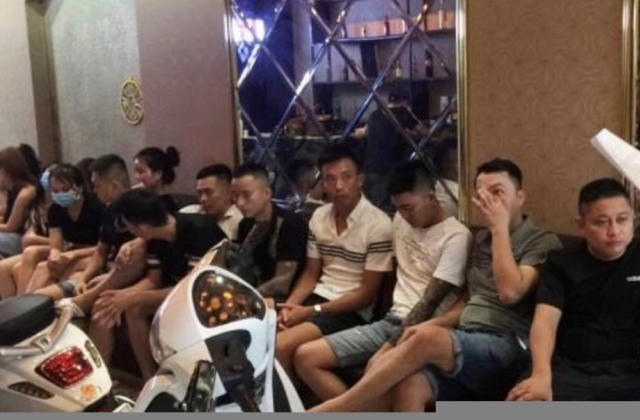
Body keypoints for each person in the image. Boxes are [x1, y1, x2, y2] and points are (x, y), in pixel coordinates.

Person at [310, 158, 562, 411]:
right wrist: (428, 325)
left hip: (508, 344)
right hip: (468, 335)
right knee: (410, 384)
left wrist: (499, 230)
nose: (490, 203)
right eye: (482, 196)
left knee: (426, 339)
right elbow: (467, 301)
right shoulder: (481, 239)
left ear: (520, 196)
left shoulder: (542, 242)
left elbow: (510, 292)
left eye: (497, 193)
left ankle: (335, 409)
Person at [293, 160, 473, 402]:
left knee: (376, 369)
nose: (404, 216)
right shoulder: (399, 220)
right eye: (399, 208)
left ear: (431, 197)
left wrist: (388, 348)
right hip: (390, 321)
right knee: (306, 356)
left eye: (408, 208)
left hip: (424, 330)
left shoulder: (456, 237)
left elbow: (429, 303)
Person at [507, 178, 640, 401]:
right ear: (581, 225)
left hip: (631, 371)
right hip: (572, 370)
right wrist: (541, 375)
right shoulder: (561, 263)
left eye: (622, 220)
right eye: (602, 222)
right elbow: (545, 321)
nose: (615, 231)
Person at [275, 144, 393, 372]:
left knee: (280, 346)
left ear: (360, 180)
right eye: (330, 179)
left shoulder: (378, 224)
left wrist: (312, 311)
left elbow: (367, 295)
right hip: (318, 299)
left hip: (350, 311)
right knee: (263, 335)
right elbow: (310, 275)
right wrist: (291, 306)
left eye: (346, 177)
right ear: (323, 184)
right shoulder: (319, 216)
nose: (338, 186)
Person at [91, 189, 226, 379]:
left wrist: (131, 297)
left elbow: (192, 289)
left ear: (142, 227)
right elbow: (153, 280)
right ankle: (148, 378)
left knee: (134, 305)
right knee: (116, 307)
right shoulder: (154, 237)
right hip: (182, 291)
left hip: (211, 295)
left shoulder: (199, 230)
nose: (130, 232)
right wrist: (120, 296)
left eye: (128, 226)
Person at [38, 155, 141, 316]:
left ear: (113, 186)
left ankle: (81, 301)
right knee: (40, 292)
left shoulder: (138, 209)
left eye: (96, 186)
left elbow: (136, 260)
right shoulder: (109, 211)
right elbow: (100, 251)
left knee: (48, 300)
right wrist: (84, 278)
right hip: (105, 270)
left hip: (120, 274)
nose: (93, 191)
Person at [21, 164, 103, 294]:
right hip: (71, 251)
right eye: (55, 191)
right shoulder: (55, 209)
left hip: (96, 254)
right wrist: (55, 254)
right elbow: (56, 245)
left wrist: (75, 254)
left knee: (68, 273)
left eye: (65, 189)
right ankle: (23, 302)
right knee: (43, 267)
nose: (60, 194)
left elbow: (105, 247)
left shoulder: (96, 206)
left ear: (79, 187)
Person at [232, 163, 308, 300]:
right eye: (235, 196)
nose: (240, 203)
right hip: (253, 290)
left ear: (267, 193)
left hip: (286, 298)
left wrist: (246, 296)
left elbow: (283, 282)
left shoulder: (290, 223)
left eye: (246, 195)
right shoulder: (245, 224)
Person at [363, 88, 426, 211]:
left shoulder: (375, 114)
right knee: (385, 210)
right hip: (388, 171)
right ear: (405, 102)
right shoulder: (403, 112)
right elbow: (425, 133)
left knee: (374, 208)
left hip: (369, 169)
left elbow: (365, 132)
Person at [179, 164, 243, 241]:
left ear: (229, 192)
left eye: (208, 192)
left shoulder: (241, 220)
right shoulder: (187, 213)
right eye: (199, 193)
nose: (203, 199)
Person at [0, 147, 38, 258]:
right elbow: (6, 214)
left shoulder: (25, 193)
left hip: (22, 237)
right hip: (15, 235)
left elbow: (11, 227)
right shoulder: (12, 190)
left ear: (4, 171)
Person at [132, 146, 181, 212]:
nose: (136, 176)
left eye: (141, 172)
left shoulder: (165, 205)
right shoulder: (140, 199)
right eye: (135, 172)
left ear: (158, 174)